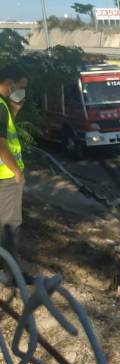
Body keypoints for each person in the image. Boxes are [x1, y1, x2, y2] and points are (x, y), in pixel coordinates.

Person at [0, 65, 28, 260]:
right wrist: (17, 172)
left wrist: (16, 109)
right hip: (6, 177)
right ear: (9, 84)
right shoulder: (0, 106)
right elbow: (0, 144)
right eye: (20, 87)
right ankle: (11, 273)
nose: (21, 91)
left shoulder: (4, 106)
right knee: (10, 225)